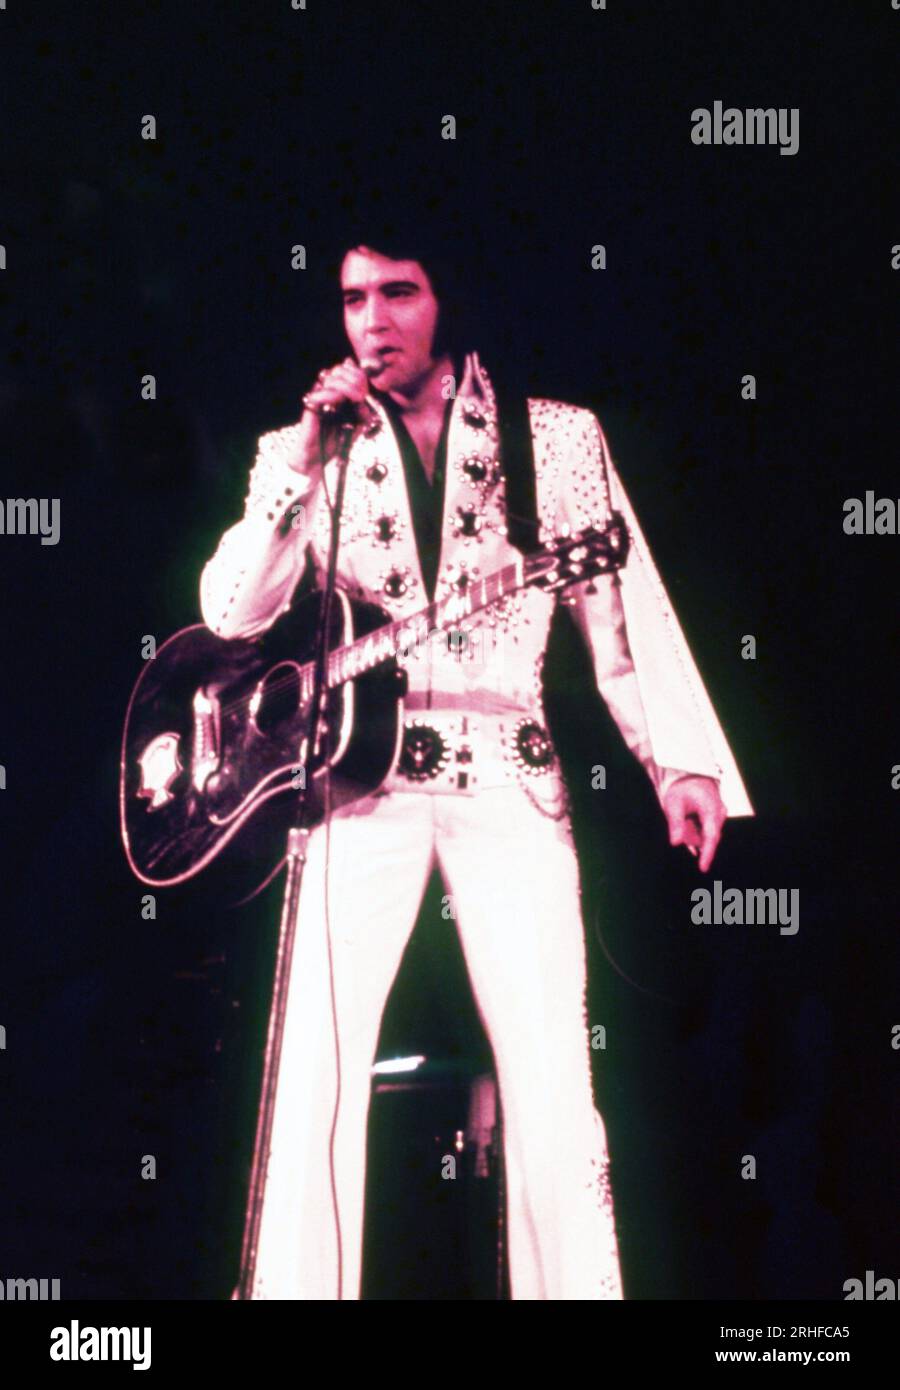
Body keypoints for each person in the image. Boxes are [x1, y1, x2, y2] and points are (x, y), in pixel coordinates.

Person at [199, 238, 753, 1300]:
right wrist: (302, 467)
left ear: (450, 299)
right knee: (311, 1068)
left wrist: (677, 762)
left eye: (399, 292)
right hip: (356, 787)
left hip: (509, 770)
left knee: (551, 1074)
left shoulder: (555, 439)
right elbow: (231, 613)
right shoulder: (300, 451)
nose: (373, 319)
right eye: (354, 296)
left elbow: (621, 629)